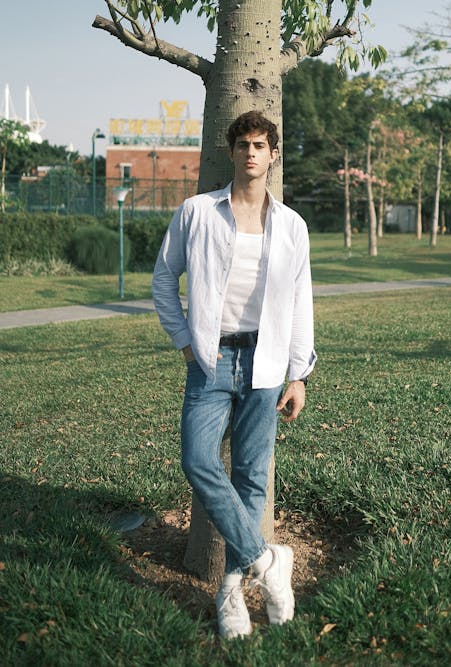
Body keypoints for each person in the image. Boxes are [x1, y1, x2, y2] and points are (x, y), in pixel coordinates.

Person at [152, 110, 316, 639]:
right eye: (243, 143)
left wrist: (299, 375)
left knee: (250, 477)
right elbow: (163, 280)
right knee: (198, 460)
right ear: (231, 152)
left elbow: (299, 305)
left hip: (267, 365)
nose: (251, 153)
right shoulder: (198, 212)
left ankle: (231, 596)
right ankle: (269, 562)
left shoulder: (291, 226)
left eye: (260, 145)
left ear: (273, 154)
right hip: (210, 361)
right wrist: (185, 342)